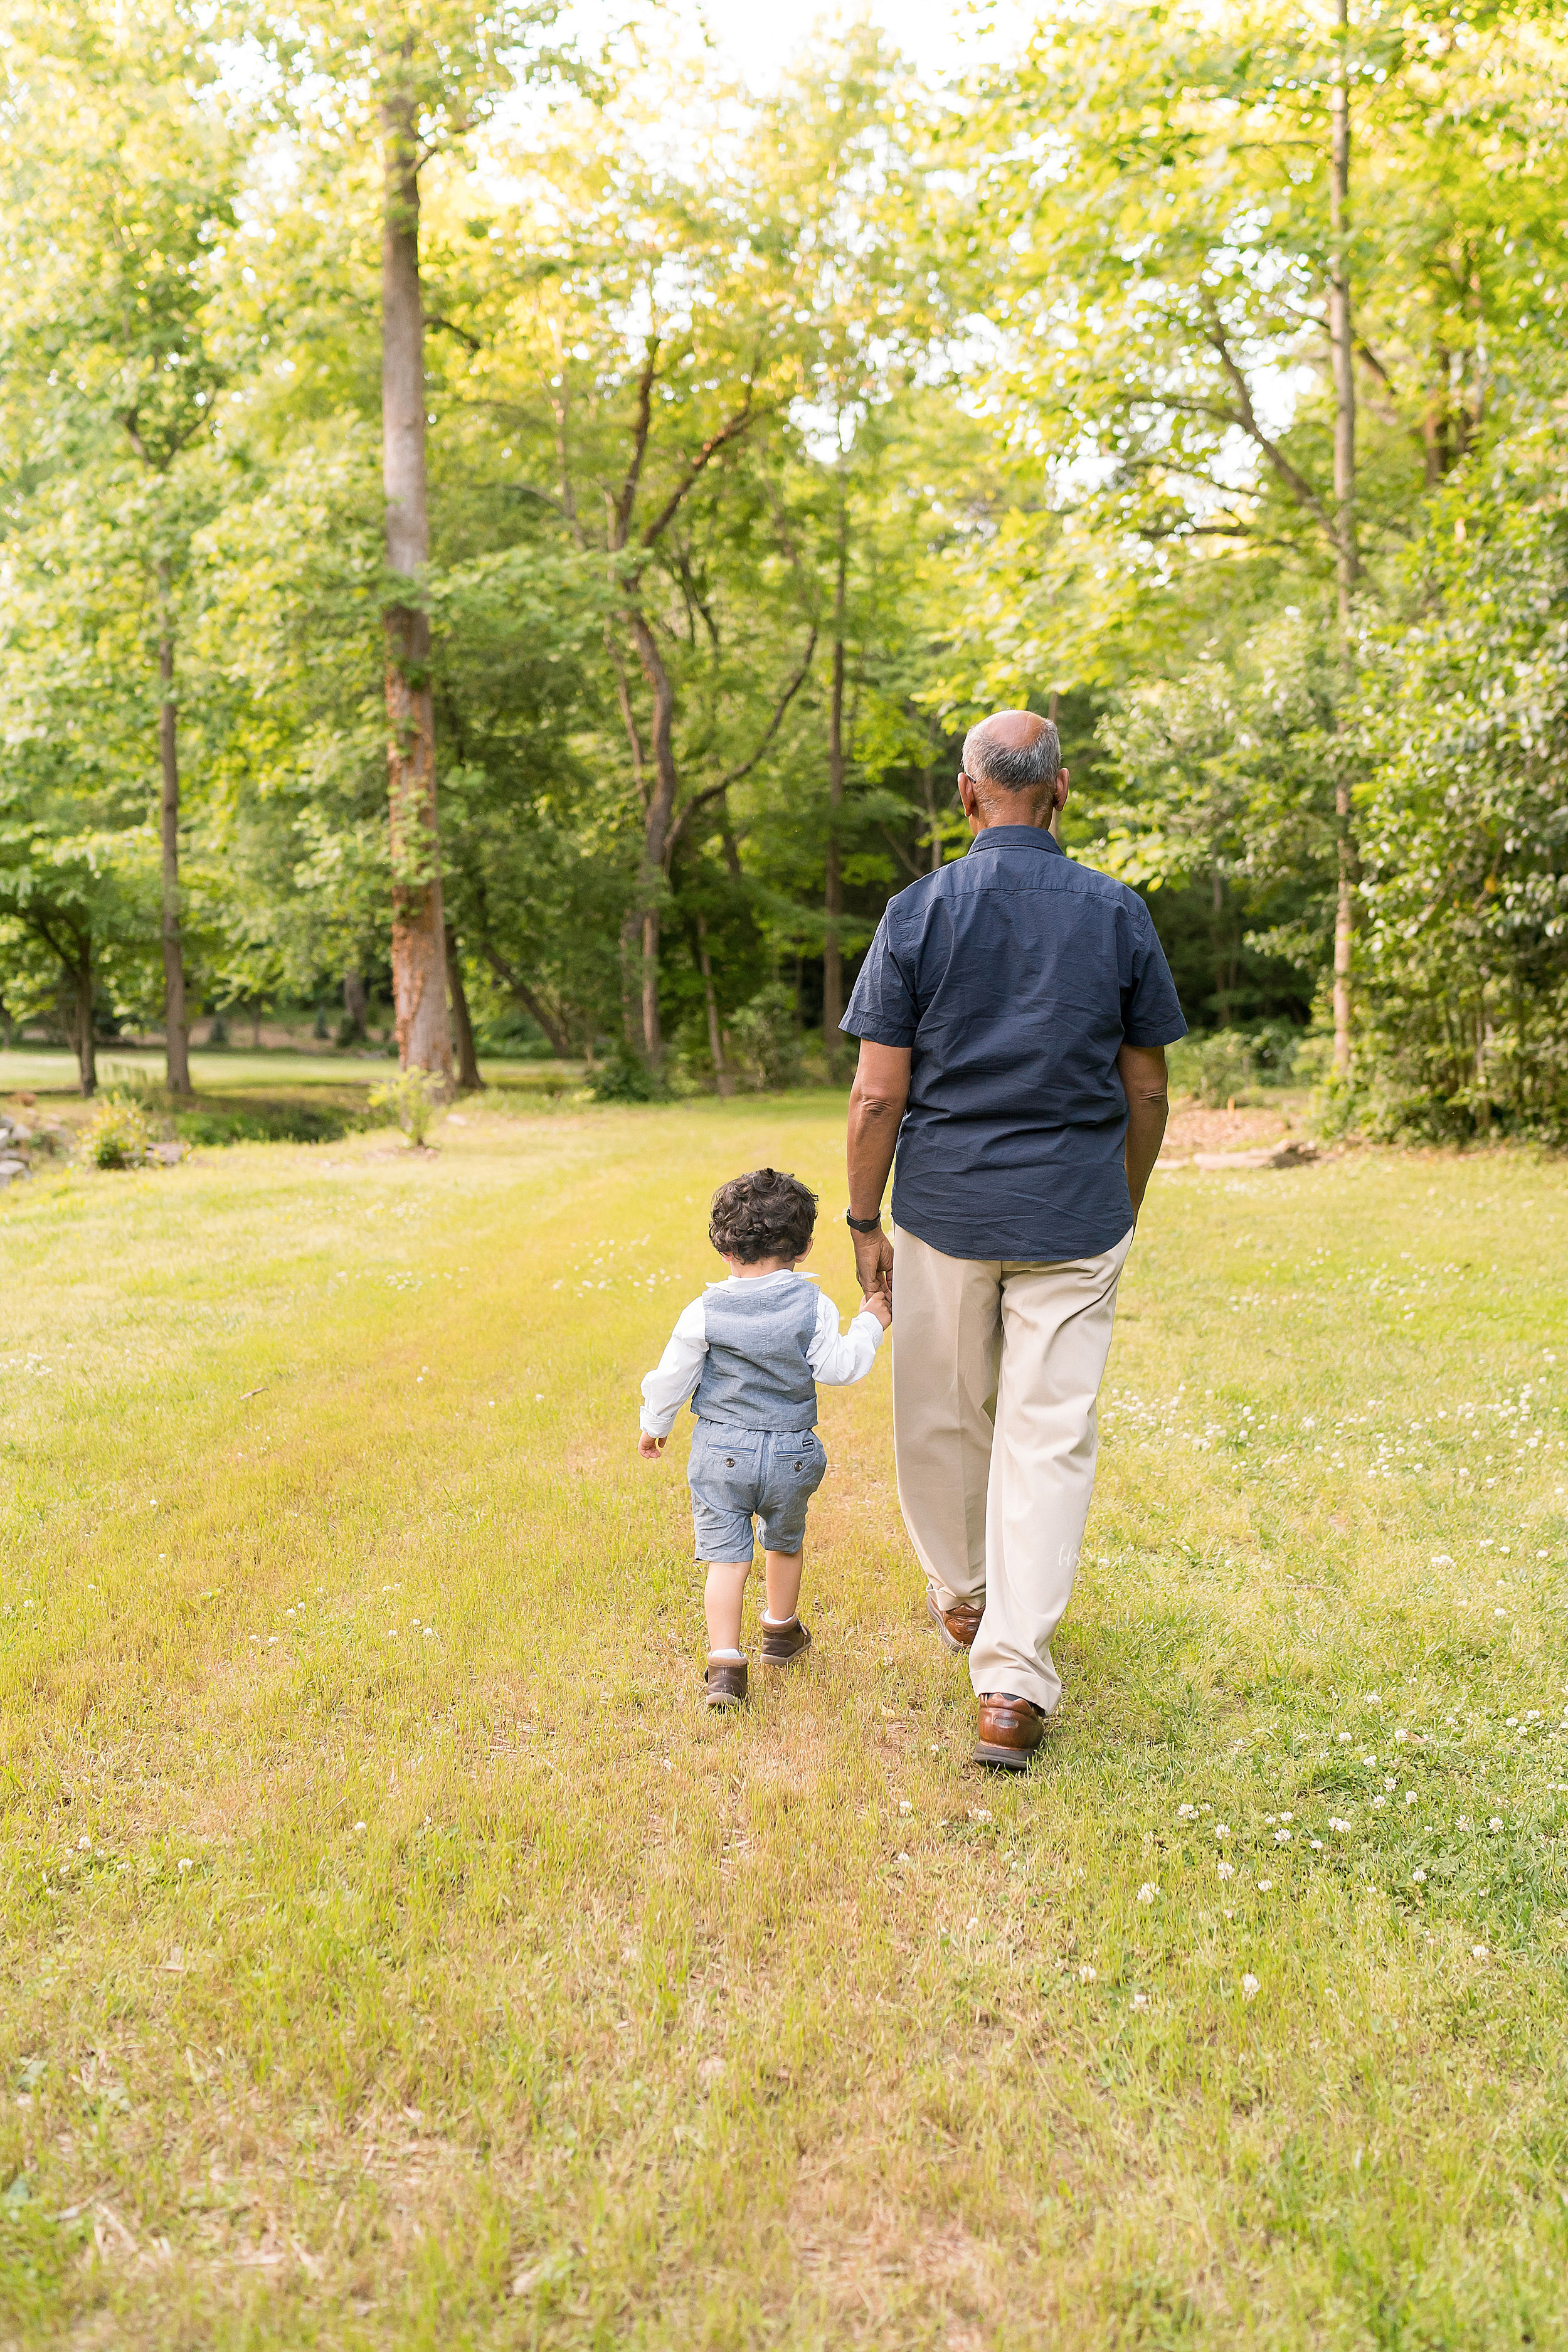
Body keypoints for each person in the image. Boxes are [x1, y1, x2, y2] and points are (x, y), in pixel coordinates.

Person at [840, 711, 1185, 1767]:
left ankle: (968, 1596)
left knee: (942, 1417)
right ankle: (1013, 1684)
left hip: (945, 1211)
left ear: (966, 794)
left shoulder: (918, 911)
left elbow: (875, 1095)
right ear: (1061, 789)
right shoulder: (1119, 913)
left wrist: (864, 1222)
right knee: (1049, 1439)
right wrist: (1117, 1199)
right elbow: (1149, 1085)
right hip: (1075, 1211)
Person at [638, 1167, 891, 1710]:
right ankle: (779, 1632)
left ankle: (725, 1666)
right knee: (785, 1540)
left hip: (721, 1454)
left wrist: (655, 1426)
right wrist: (871, 1321)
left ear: (725, 1249)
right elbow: (840, 1367)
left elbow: (672, 1378)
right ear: (801, 1249)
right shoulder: (814, 1306)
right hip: (790, 1455)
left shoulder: (705, 1310)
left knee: (727, 1558)